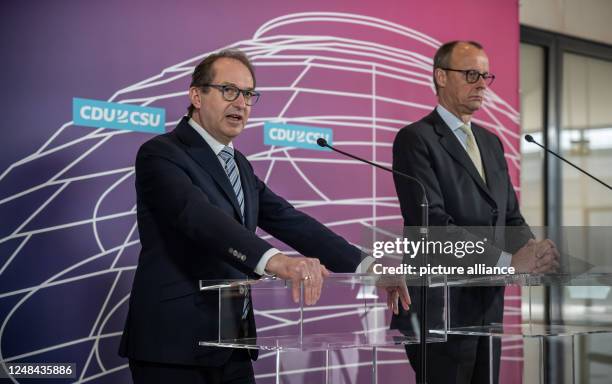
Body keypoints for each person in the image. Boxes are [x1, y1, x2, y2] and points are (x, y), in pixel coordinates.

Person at [119, 49, 409, 384]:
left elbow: (290, 220)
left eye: (248, 94)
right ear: (196, 95)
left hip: (232, 344)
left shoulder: (239, 165)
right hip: (172, 347)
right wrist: (279, 262)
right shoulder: (161, 154)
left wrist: (371, 268)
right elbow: (199, 217)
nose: (241, 103)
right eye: (229, 90)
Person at [391, 41, 558, 384]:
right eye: (471, 74)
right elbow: (432, 224)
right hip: (441, 308)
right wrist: (507, 263)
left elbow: (509, 215)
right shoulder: (415, 139)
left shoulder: (491, 142)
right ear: (440, 76)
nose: (482, 84)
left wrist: (532, 251)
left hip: (488, 305)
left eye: (485, 75)